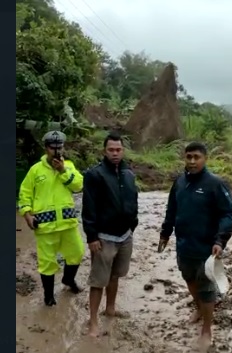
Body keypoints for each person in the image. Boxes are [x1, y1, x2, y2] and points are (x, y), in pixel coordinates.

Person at [159, 142, 232, 349]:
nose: (192, 161)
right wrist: (165, 233)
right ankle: (199, 308)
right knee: (189, 280)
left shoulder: (215, 184)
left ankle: (207, 329)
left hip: (207, 248)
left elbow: (227, 214)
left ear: (205, 159)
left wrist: (220, 240)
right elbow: (171, 210)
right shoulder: (180, 182)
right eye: (189, 157)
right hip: (184, 245)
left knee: (207, 288)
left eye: (196, 157)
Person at [18, 131, 85, 306]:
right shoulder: (35, 170)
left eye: (60, 147)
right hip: (44, 226)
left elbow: (79, 186)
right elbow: (24, 194)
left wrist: (63, 171)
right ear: (46, 148)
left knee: (77, 254)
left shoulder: (69, 166)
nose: (56, 151)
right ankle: (49, 296)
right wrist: (27, 214)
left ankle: (68, 280)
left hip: (68, 224)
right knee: (47, 264)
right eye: (53, 148)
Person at [82, 132, 138, 338]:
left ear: (123, 151)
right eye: (111, 150)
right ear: (104, 151)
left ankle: (111, 308)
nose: (115, 153)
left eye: (118, 149)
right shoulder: (95, 175)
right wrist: (92, 237)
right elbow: (88, 207)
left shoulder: (128, 174)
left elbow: (134, 200)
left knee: (115, 275)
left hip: (125, 236)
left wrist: (133, 225)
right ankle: (93, 321)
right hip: (104, 237)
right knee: (98, 281)